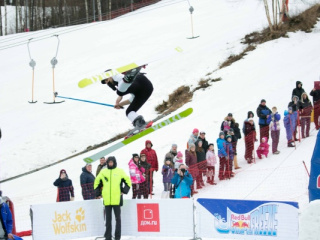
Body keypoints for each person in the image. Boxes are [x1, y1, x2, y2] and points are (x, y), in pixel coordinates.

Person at [94, 156, 131, 240]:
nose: (110, 163)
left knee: (118, 220)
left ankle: (117, 237)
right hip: (107, 200)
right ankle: (108, 237)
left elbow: (128, 181)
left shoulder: (119, 171)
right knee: (108, 221)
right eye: (109, 162)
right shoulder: (103, 172)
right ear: (107, 163)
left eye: (112, 162)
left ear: (114, 162)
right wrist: (98, 193)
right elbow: (96, 182)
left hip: (117, 200)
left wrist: (124, 191)